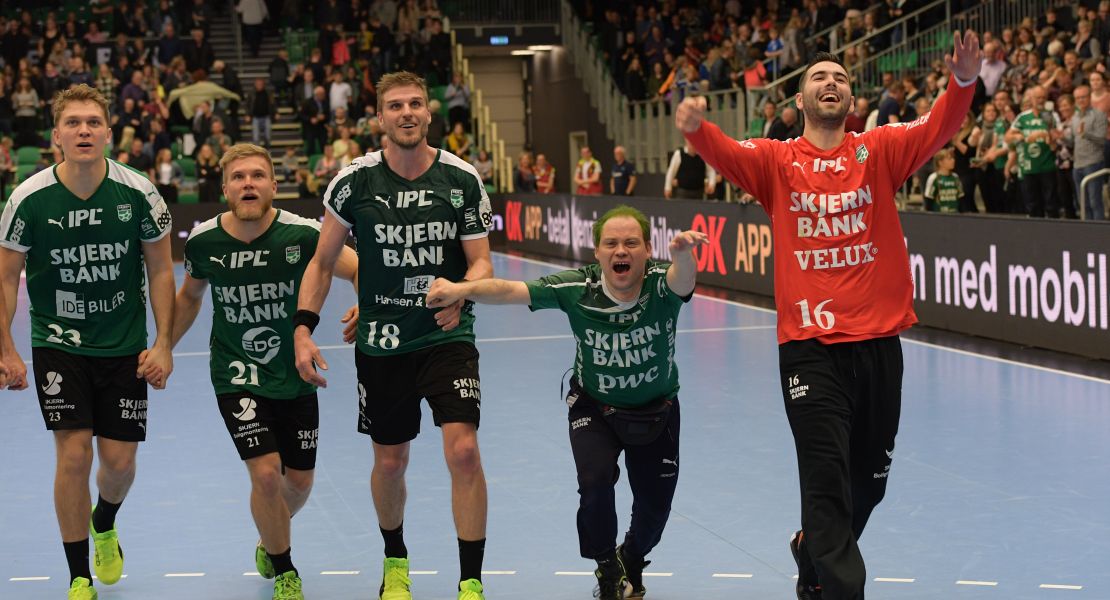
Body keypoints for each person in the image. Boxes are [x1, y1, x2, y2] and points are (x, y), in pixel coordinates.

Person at [676, 31, 982, 600]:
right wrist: (696, 129)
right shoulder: (776, 161)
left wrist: (963, 81)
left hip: (880, 345)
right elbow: (727, 153)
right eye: (819, 77)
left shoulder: (880, 150)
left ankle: (810, 552)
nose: (831, 82)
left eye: (840, 77)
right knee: (824, 483)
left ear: (852, 99)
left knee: (869, 485)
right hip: (809, 349)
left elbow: (939, 126)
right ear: (800, 101)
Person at [425, 206, 707, 600]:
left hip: (656, 410)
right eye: (611, 243)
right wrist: (461, 289)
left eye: (631, 243)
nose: (620, 251)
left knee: (655, 509)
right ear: (597, 252)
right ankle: (607, 567)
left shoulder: (661, 284)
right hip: (595, 408)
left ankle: (632, 556)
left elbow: (683, 280)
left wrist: (681, 255)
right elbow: (510, 290)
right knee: (593, 484)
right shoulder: (578, 287)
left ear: (647, 250)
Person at [293, 71, 494, 600]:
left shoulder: (461, 179)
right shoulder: (353, 182)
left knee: (464, 451)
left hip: (446, 336)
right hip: (382, 344)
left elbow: (481, 262)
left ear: (429, 113)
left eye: (416, 104)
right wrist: (303, 329)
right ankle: (395, 560)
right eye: (396, 106)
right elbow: (322, 263)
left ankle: (471, 580)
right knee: (389, 461)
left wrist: (463, 292)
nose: (407, 113)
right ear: (380, 117)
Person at [0, 84, 176, 600]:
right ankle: (79, 577)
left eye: (93, 122)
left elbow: (161, 269)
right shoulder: (27, 199)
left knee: (118, 465)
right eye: (73, 123)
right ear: (56, 135)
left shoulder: (139, 192)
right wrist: (6, 348)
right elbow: (6, 277)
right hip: (58, 342)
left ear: (108, 133)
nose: (83, 130)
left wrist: (164, 343)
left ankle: (105, 522)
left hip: (123, 344)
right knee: (74, 456)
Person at [170, 143, 358, 600]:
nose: (248, 184)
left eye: (257, 175)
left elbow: (358, 268)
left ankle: (268, 539)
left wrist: (366, 306)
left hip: (295, 373)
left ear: (274, 185)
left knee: (300, 483)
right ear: (225, 188)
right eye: (238, 177)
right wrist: (162, 348)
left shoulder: (304, 234)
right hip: (236, 373)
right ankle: (286, 570)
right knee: (267, 476)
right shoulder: (204, 242)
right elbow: (191, 296)